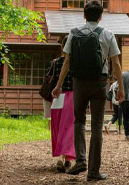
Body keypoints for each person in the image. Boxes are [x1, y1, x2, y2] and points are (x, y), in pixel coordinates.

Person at [52, 0, 124, 182]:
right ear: (101, 16)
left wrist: (59, 85)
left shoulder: (74, 33)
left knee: (79, 121)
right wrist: (120, 88)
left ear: (84, 15)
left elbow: (67, 61)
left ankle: (81, 159)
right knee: (98, 126)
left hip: (79, 82)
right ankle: (93, 172)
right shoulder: (108, 34)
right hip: (99, 82)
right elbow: (115, 62)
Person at [50, 36, 74, 172]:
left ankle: (60, 157)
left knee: (58, 127)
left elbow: (50, 80)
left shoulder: (56, 62)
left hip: (58, 97)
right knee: (69, 128)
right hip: (73, 96)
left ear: (62, 47)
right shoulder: (77, 63)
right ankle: (67, 159)